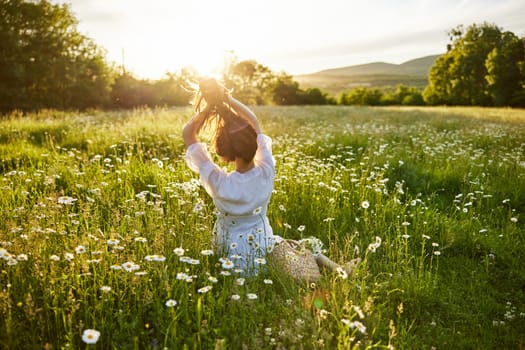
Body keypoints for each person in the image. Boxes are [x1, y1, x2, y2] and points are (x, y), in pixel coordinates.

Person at [182, 78, 359, 277]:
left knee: (291, 246)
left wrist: (209, 108)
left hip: (230, 252)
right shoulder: (266, 171)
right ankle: (338, 269)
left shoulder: (219, 183)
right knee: (295, 245)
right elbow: (253, 121)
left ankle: (337, 269)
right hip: (262, 242)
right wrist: (227, 99)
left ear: (224, 154)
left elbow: (188, 134)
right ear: (256, 144)